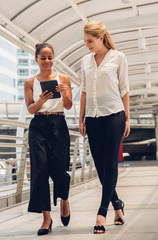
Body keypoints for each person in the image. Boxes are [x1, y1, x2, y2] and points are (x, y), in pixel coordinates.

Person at [79, 21, 130, 234]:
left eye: (90, 41)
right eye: (85, 42)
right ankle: (117, 204)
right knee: (100, 166)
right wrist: (81, 118)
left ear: (101, 37)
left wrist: (127, 118)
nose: (87, 45)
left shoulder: (119, 58)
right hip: (92, 117)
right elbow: (83, 90)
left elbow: (125, 89)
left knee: (109, 163)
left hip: (114, 115)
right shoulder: (85, 60)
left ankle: (102, 213)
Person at [24, 43, 72, 236]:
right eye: (42, 58)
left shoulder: (64, 78)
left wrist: (66, 92)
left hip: (59, 123)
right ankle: (46, 217)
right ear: (36, 59)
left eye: (50, 57)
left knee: (60, 169)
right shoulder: (30, 82)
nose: (47, 61)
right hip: (38, 126)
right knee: (40, 170)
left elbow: (67, 106)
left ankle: (64, 200)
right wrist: (41, 101)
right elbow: (30, 109)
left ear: (54, 58)